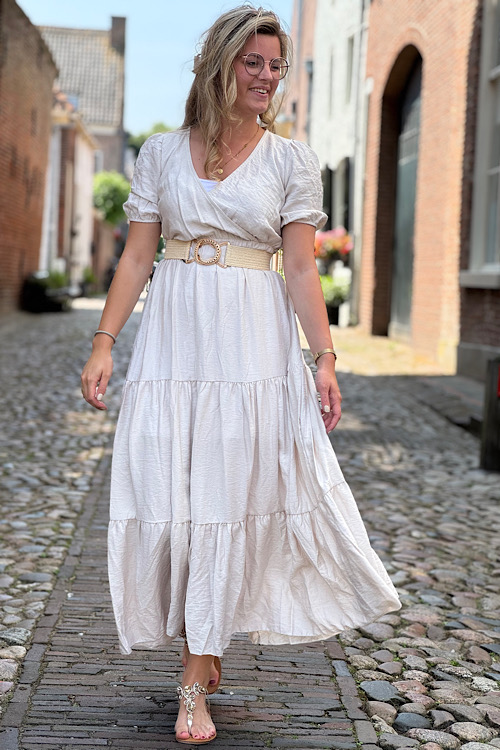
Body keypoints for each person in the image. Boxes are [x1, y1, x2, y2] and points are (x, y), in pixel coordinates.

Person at [81, 5, 401, 744]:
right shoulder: (161, 153)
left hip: (251, 348)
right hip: (173, 346)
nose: (265, 77)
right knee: (169, 492)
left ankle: (194, 683)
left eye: (275, 66)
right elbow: (137, 255)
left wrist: (324, 358)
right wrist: (104, 342)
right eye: (252, 62)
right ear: (220, 66)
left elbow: (301, 269)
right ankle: (205, 632)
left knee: (224, 501)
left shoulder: (290, 161)